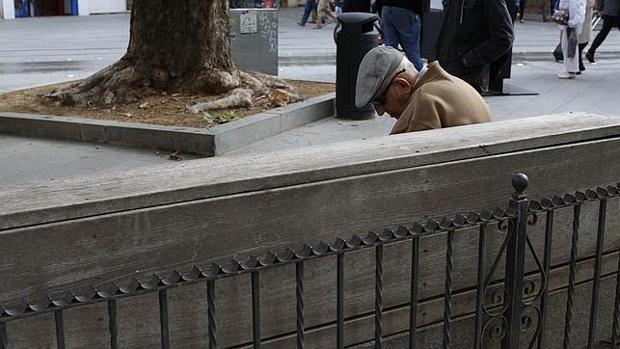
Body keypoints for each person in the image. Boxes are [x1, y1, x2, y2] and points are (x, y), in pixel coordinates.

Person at [355, 46, 492, 134]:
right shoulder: (452, 83)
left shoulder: (424, 101)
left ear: (403, 85)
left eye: (380, 101)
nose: (380, 112)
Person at [435, 0, 514, 93]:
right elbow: (447, 33)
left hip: (468, 79)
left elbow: (504, 38)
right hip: (446, 73)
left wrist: (468, 60)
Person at [375, 0, 424, 70]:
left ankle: (390, 77)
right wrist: (417, 12)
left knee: (390, 50)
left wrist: (380, 11)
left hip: (386, 8)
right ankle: (421, 77)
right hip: (405, 8)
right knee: (412, 51)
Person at [556, 0, 586, 78]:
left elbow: (576, 7)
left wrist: (573, 22)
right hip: (571, 19)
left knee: (569, 45)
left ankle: (571, 70)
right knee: (567, 45)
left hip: (572, 20)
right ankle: (569, 69)